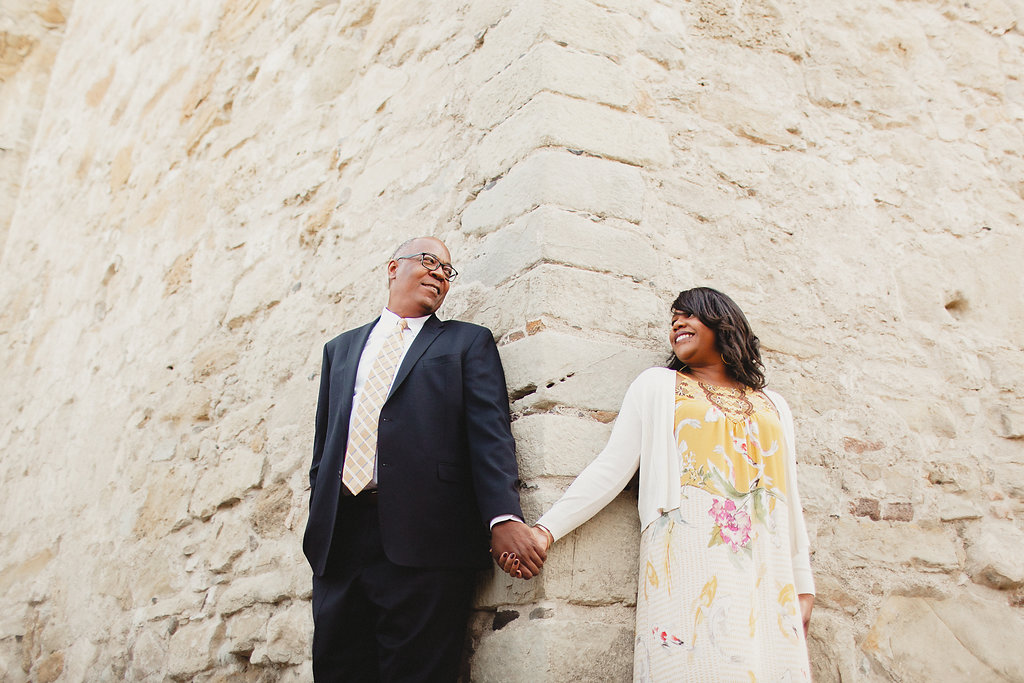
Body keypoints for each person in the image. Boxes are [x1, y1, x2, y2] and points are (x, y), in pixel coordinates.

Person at [501, 287, 814, 681]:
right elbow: (612, 467)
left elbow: (789, 498)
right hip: (687, 555)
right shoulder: (658, 386)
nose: (677, 325)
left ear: (723, 322)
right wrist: (546, 531)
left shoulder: (774, 405)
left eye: (689, 315)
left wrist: (803, 583)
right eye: (673, 320)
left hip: (768, 568)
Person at [303, 236, 547, 682]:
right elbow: (324, 445)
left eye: (447, 271)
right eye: (429, 261)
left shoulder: (466, 342)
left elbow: (490, 435)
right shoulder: (340, 349)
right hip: (339, 542)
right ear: (393, 267)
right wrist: (319, 514)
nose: (439, 273)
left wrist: (503, 516)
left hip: (427, 540)